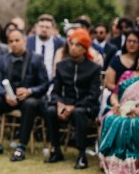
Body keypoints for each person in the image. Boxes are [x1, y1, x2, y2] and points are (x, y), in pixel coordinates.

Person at [0, 29, 49, 162]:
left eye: (17, 40)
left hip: (30, 99)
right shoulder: (3, 59)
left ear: (24, 41)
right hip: (9, 98)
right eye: (11, 41)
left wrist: (29, 91)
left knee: (29, 105)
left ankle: (21, 147)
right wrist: (5, 94)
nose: (14, 44)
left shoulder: (36, 58)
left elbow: (45, 84)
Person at [45, 28, 101, 170]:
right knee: (50, 110)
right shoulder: (61, 65)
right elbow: (55, 91)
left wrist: (73, 107)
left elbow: (93, 95)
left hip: (86, 106)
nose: (73, 48)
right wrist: (59, 104)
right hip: (65, 103)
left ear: (85, 48)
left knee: (78, 113)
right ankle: (56, 150)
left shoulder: (94, 68)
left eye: (78, 45)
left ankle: (82, 155)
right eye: (71, 44)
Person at [98, 31, 139, 173]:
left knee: (133, 123)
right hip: (121, 107)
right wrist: (116, 104)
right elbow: (115, 93)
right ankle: (110, 159)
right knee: (110, 118)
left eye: (135, 41)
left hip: (137, 112)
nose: (132, 44)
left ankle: (133, 160)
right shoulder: (128, 75)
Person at [26, 14, 65, 82]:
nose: (44, 29)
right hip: (32, 83)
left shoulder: (60, 43)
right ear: (36, 27)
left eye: (47, 27)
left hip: (53, 82)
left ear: (53, 29)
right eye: (41, 26)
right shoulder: (28, 42)